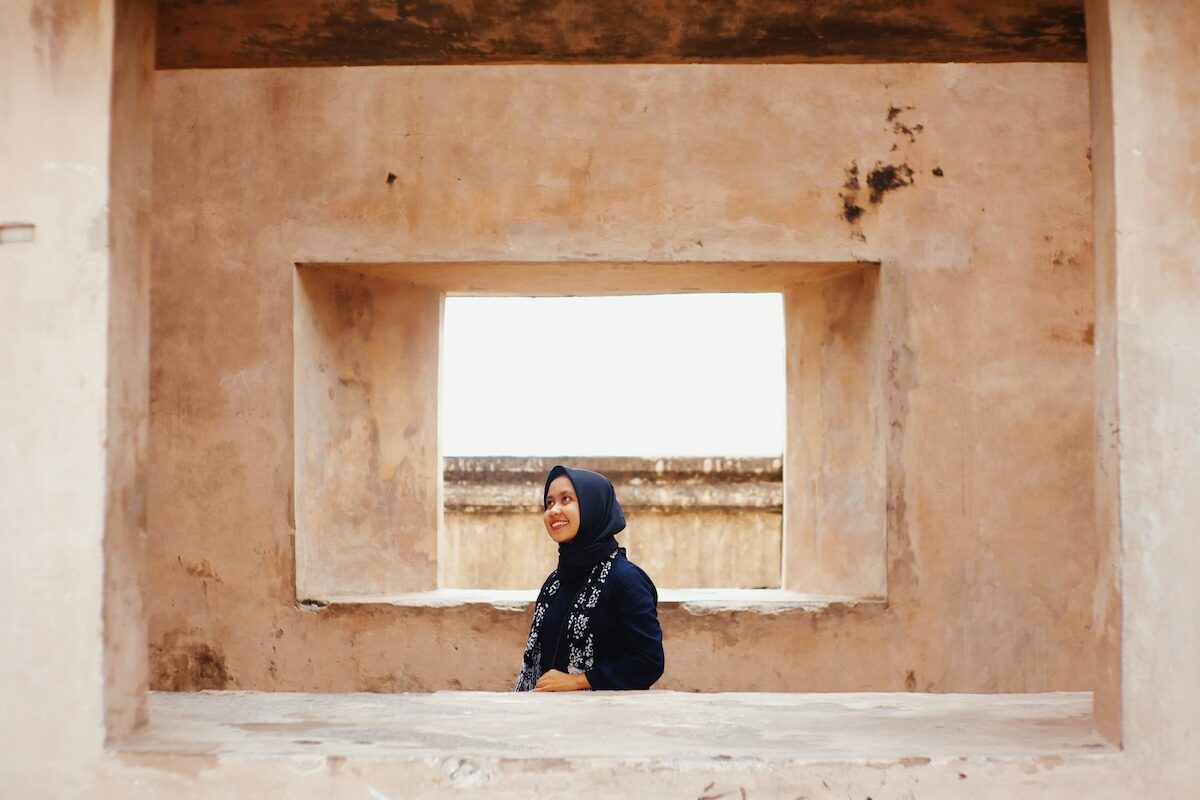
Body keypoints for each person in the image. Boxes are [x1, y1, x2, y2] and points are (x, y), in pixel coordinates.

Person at [515, 465, 665, 692]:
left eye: (566, 499)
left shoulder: (626, 580)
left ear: (592, 505)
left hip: (606, 712)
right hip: (550, 712)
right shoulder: (556, 583)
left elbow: (648, 662)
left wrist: (579, 681)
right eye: (549, 503)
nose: (554, 510)